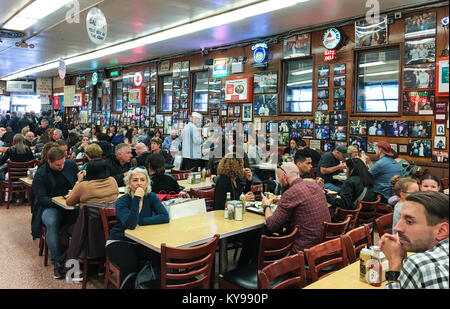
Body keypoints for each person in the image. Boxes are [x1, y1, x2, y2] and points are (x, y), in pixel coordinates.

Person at [106, 168, 169, 288]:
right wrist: (136, 199)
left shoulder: (151, 196)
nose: (139, 183)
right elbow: (130, 224)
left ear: (147, 183)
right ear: (129, 183)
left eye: (142, 180)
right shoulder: (122, 201)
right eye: (135, 180)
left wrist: (141, 221)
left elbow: (165, 217)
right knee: (130, 265)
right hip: (120, 241)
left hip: (143, 240)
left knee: (160, 259)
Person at [380, 191, 449, 289]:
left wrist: (394, 263)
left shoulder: (417, 264)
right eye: (400, 218)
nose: (397, 228)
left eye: (409, 221)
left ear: (441, 231)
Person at [31, 147, 79, 279]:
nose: (61, 167)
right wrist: (59, 202)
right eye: (58, 165)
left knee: (88, 219)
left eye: (63, 163)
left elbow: (80, 184)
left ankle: (78, 258)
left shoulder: (71, 165)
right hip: (51, 206)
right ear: (49, 162)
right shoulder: (41, 174)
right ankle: (57, 261)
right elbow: (41, 198)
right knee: (51, 222)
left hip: (71, 204)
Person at [261, 162, 331, 253]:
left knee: (261, 236)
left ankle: (253, 266)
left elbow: (272, 225)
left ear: (285, 177)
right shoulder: (315, 186)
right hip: (325, 246)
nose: (278, 181)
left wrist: (266, 205)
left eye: (279, 178)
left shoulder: (291, 193)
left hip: (304, 252)